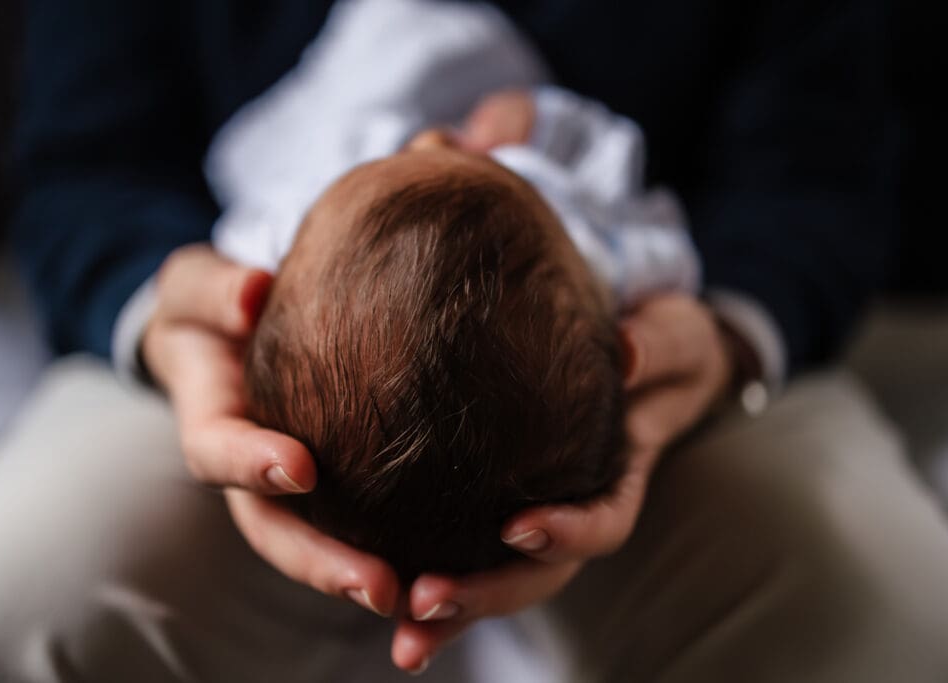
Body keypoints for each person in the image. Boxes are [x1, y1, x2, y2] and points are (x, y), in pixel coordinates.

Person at [0, 0, 947, 681]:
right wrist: (172, 314)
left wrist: (725, 334)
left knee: (892, 619)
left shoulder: (599, 243)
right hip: (241, 370)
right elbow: (84, 168)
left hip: (648, 363)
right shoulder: (267, 257)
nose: (431, 142)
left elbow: (816, 178)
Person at [213, 0, 696, 580]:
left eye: (395, 164)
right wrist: (539, 125)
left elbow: (236, 207)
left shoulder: (284, 226)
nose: (433, 139)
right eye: (489, 170)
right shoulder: (600, 251)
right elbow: (638, 200)